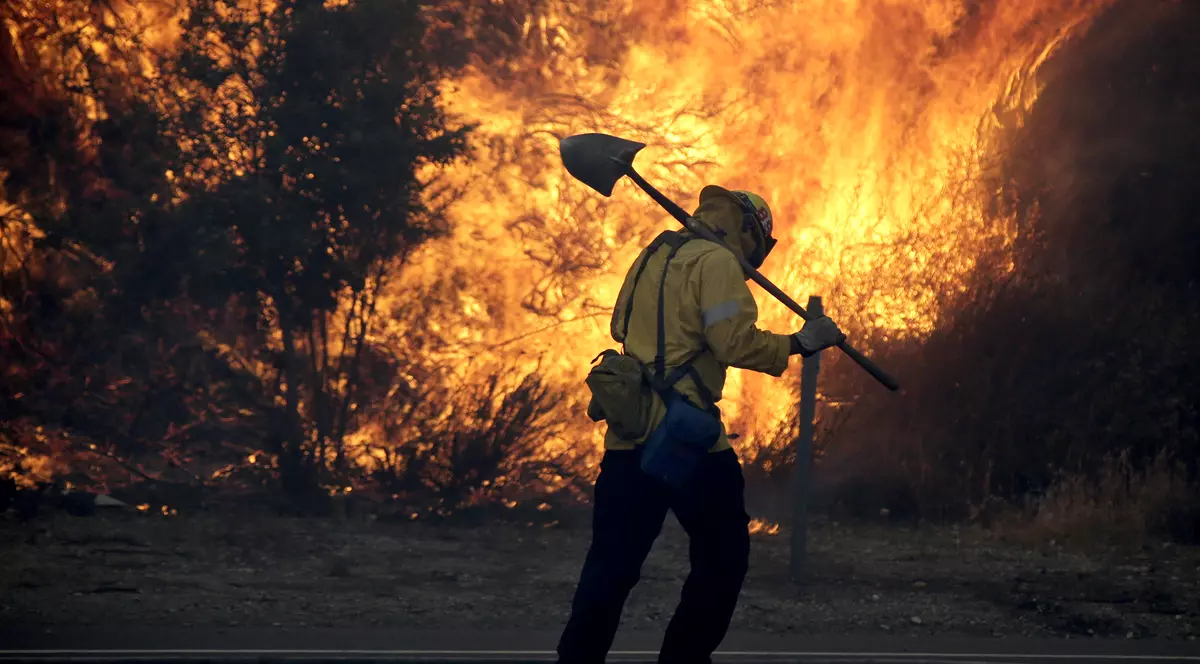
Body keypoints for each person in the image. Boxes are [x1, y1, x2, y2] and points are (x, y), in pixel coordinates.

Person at [556, 185, 847, 664]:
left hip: (627, 440)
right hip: (687, 441)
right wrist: (801, 342)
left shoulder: (652, 254)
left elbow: (620, 327)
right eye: (759, 243)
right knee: (723, 559)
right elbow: (735, 343)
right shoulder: (717, 264)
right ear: (749, 231)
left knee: (609, 570)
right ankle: (683, 662)